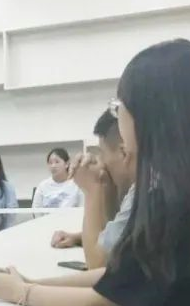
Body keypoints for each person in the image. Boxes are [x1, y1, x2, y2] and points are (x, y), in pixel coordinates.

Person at [0, 39, 190, 306]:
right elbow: (118, 275)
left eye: (119, 108)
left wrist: (21, 293)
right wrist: (33, 282)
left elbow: (103, 304)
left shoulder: (172, 200)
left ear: (150, 116)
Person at [51, 111, 136, 269]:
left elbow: (98, 266)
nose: (101, 161)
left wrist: (92, 188)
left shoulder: (145, 193)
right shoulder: (148, 183)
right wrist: (106, 184)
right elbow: (117, 234)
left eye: (102, 153)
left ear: (124, 153)